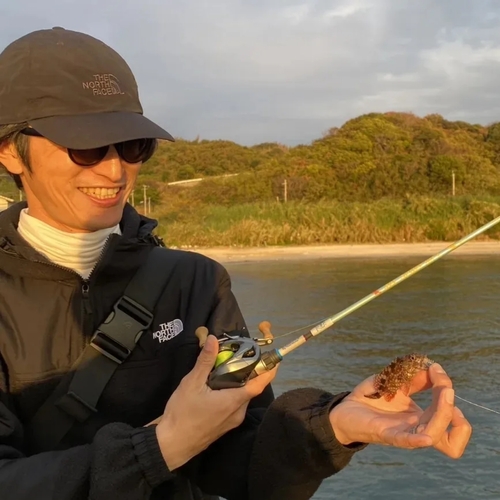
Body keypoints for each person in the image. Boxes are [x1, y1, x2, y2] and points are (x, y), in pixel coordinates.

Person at [0, 27, 472, 500]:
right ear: (9, 151)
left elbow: (243, 456)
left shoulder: (197, 281)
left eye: (132, 145)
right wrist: (158, 447)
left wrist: (335, 424)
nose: (114, 169)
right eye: (85, 146)